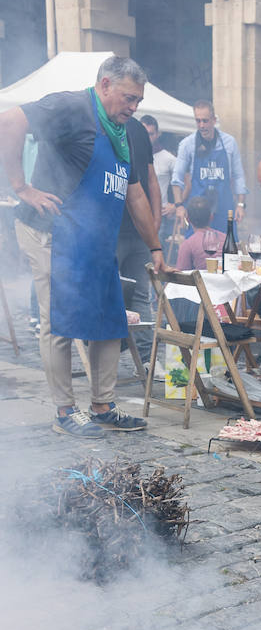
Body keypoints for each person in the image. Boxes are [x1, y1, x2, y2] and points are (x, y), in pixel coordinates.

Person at [0, 54, 165, 437]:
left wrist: (155, 247)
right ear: (105, 84)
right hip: (52, 232)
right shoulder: (71, 106)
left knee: (110, 320)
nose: (134, 106)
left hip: (96, 241)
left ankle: (104, 406)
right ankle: (63, 411)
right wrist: (21, 188)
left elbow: (135, 193)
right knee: (59, 320)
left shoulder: (126, 131)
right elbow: (8, 121)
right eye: (128, 98)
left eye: (139, 100)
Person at [117, 114, 160, 365]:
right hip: (119, 230)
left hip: (136, 231)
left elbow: (150, 179)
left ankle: (145, 360)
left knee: (138, 295)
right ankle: (138, 359)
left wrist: (153, 226)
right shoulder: (102, 125)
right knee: (120, 293)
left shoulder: (138, 130)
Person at [172, 100, 248, 234]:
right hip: (197, 214)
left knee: (228, 252)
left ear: (214, 120)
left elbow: (238, 176)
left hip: (224, 211)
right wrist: (179, 206)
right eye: (198, 121)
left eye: (205, 121)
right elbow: (177, 178)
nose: (201, 125)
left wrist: (241, 205)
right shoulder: (187, 144)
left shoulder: (229, 143)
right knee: (197, 251)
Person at [140, 115, 175, 222]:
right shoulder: (130, 154)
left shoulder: (169, 158)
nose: (147, 137)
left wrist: (175, 205)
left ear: (157, 134)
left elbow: (187, 182)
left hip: (158, 214)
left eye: (150, 134)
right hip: (135, 212)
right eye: (144, 133)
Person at [175, 196, 224, 271]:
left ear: (187, 219)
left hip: (203, 282)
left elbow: (181, 275)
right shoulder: (226, 238)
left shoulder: (188, 245)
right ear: (211, 217)